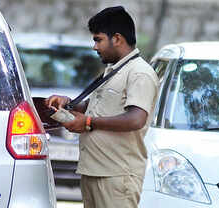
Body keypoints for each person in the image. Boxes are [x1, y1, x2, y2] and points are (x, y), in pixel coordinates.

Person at [45, 6, 159, 208]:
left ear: (117, 38)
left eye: (98, 40)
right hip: (94, 171)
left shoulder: (139, 72)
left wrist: (88, 122)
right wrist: (68, 104)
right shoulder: (114, 71)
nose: (95, 47)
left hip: (116, 176)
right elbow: (93, 107)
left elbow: (136, 119)